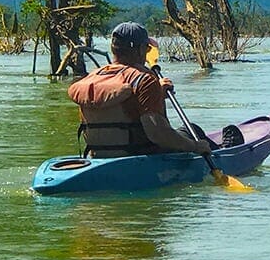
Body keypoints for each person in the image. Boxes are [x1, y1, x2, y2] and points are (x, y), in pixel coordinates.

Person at [67, 22, 212, 158]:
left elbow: (123, 107)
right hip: (137, 157)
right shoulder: (145, 80)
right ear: (141, 49)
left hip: (99, 156)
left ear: (113, 49)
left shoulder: (92, 77)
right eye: (147, 48)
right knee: (193, 130)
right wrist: (195, 146)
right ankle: (223, 151)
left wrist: (158, 93)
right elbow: (158, 134)